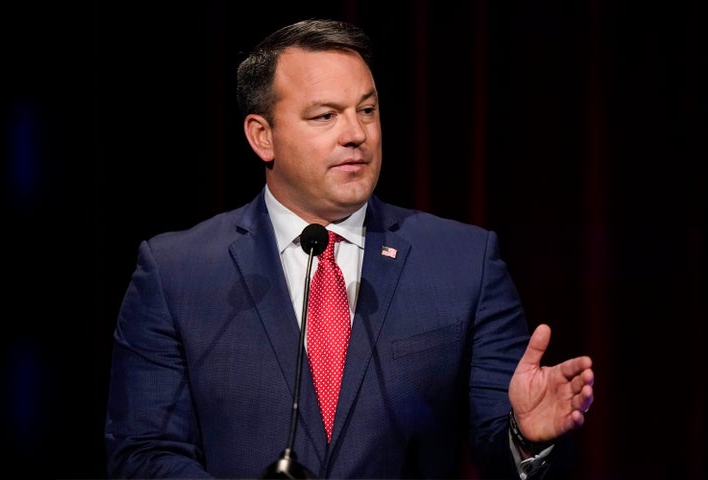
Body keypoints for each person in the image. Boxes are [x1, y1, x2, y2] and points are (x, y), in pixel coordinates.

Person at [104, 18, 594, 479]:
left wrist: (526, 438)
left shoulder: (465, 263)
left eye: (367, 110)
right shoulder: (176, 273)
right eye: (325, 116)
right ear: (262, 136)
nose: (356, 134)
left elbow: (501, 450)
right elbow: (144, 453)